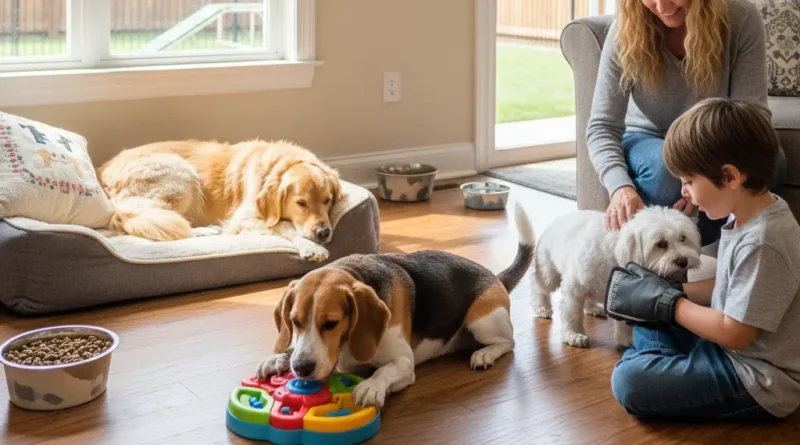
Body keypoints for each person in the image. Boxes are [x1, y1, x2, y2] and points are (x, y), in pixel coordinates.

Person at [603, 97, 800, 421]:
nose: (683, 192)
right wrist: (663, 291)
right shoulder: (749, 215)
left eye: (689, 181)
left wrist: (671, 305)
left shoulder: (764, 241)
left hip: (759, 377)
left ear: (730, 177)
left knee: (630, 382)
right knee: (647, 318)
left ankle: (659, 361)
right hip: (728, 348)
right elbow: (728, 287)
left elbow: (734, 332)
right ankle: (664, 358)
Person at [586, 0, 786, 245]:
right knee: (666, 174)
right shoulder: (624, 32)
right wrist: (619, 187)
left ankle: (738, 248)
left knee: (771, 162)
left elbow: (751, 117)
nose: (662, 7)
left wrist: (704, 170)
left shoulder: (741, 18)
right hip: (648, 139)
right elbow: (602, 127)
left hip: (716, 142)